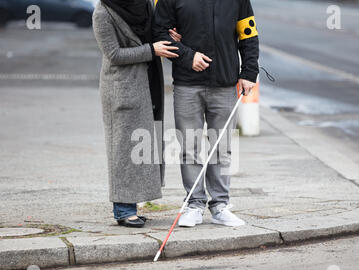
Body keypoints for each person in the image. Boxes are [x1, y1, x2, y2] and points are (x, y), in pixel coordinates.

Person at [153, 0, 260, 227]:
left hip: (225, 84)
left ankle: (220, 205)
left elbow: (248, 35)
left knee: (221, 148)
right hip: (186, 84)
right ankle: (194, 205)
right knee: (189, 148)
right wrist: (187, 56)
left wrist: (249, 71)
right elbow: (159, 32)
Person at [93, 0, 181, 228]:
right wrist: (152, 50)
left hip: (148, 80)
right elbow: (114, 54)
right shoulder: (103, 11)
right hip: (122, 87)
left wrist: (170, 39)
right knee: (122, 148)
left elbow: (153, 35)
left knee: (143, 145)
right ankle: (123, 209)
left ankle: (133, 205)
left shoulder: (144, 4)